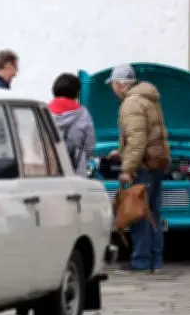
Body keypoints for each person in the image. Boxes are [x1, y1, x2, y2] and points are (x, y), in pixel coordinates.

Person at [106, 64, 171, 274]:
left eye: (112, 84)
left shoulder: (131, 103)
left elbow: (137, 140)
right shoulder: (149, 98)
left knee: (138, 212)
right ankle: (156, 260)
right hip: (156, 163)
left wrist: (127, 168)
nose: (112, 89)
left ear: (118, 84)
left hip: (142, 166)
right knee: (152, 212)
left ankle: (141, 261)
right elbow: (145, 135)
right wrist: (121, 151)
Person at [49, 73, 96, 176]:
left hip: (50, 172)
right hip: (76, 172)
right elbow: (90, 145)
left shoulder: (44, 112)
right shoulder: (83, 114)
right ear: (76, 92)